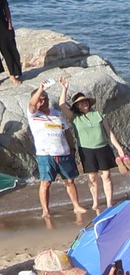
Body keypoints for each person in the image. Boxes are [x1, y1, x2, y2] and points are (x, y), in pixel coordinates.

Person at [24, 84, 85, 226]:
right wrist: (40, 89)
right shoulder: (33, 114)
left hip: (63, 152)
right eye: (39, 99)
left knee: (70, 181)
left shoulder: (56, 113)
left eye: (44, 99)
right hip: (45, 155)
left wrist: (72, 148)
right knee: (46, 183)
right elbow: (32, 104)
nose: (41, 101)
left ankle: (76, 206)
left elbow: (67, 132)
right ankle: (45, 210)